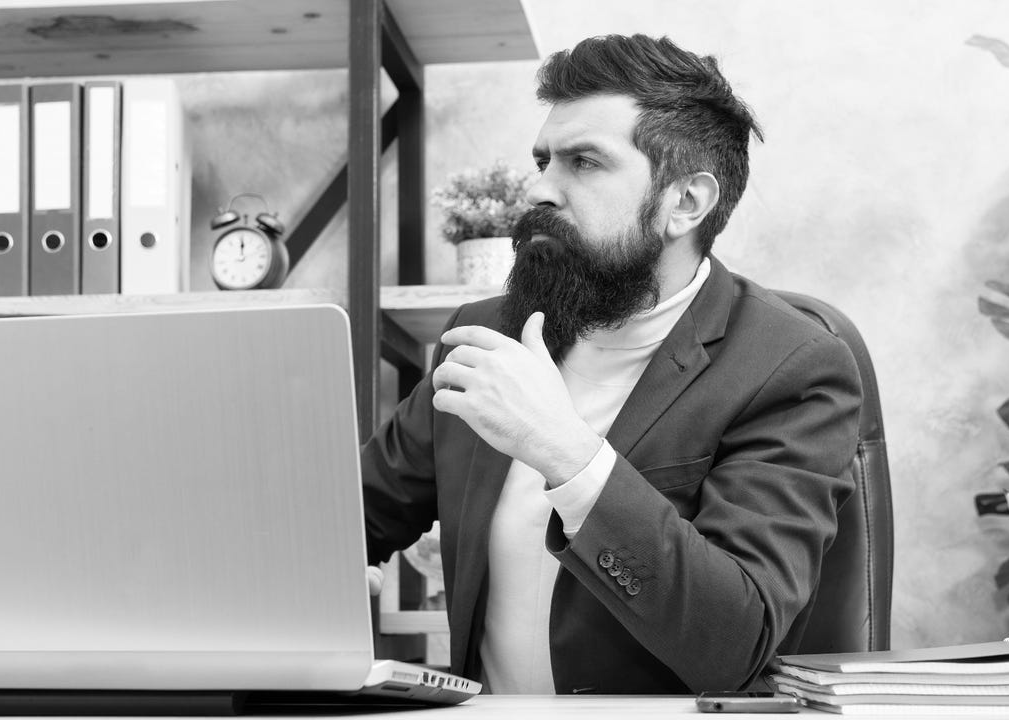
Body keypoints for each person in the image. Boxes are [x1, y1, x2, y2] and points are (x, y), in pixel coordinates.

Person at [360, 33, 862, 694]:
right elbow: (355, 517)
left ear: (686, 202)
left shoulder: (792, 368)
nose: (540, 189)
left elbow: (734, 642)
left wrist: (566, 454)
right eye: (543, 161)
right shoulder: (486, 335)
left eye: (585, 163)